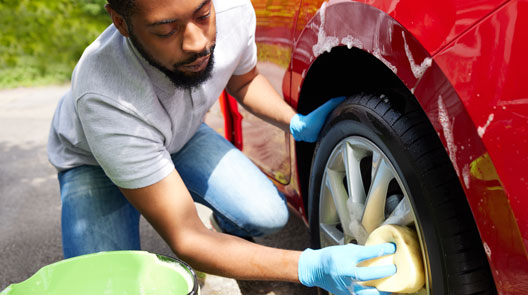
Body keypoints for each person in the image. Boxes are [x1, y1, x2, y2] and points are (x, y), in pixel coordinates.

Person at [46, 0, 397, 294]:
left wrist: (293, 122)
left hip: (181, 136)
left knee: (269, 215)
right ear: (120, 22)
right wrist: (307, 266)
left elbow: (243, 80)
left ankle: (228, 239)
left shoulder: (233, 10)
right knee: (102, 287)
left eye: (202, 15)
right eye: (166, 30)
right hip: (92, 162)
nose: (197, 42)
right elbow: (186, 238)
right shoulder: (105, 96)